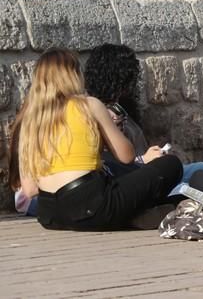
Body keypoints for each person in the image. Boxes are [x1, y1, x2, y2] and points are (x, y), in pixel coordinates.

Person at [11, 48, 182, 231]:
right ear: (74, 74)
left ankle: (135, 214)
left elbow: (29, 189)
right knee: (170, 164)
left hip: (49, 215)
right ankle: (138, 213)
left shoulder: (30, 118)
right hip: (90, 207)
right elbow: (127, 156)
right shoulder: (89, 105)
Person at [84, 43, 203, 188]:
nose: (130, 87)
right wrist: (144, 159)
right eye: (127, 80)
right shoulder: (98, 112)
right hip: (134, 180)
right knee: (200, 172)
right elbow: (109, 164)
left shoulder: (121, 108)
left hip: (143, 173)